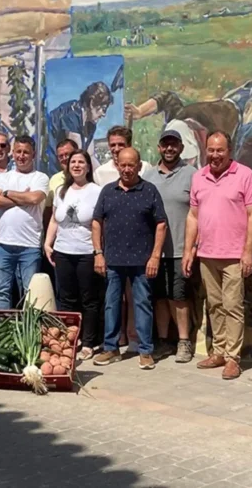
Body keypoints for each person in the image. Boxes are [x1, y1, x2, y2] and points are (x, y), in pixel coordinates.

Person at [183, 131, 252, 380]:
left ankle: (233, 358)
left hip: (234, 255)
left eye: (220, 150)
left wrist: (248, 251)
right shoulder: (199, 177)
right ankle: (218, 351)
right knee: (214, 305)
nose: (215, 155)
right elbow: (193, 216)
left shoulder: (245, 175)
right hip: (207, 254)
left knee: (233, 306)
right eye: (211, 150)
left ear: (230, 151)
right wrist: (188, 250)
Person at [92, 147, 167, 370]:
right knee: (111, 304)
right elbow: (96, 222)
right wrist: (98, 253)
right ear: (117, 165)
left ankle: (145, 351)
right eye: (122, 165)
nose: (126, 169)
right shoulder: (108, 191)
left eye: (130, 165)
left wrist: (155, 256)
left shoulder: (149, 190)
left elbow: (161, 224)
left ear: (139, 166)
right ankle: (111, 348)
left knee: (142, 304)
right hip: (112, 260)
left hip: (142, 261)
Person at [93, 125, 152, 351]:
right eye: (113, 145)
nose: (116, 149)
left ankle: (134, 337)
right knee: (115, 298)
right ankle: (117, 340)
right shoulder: (101, 173)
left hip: (137, 245)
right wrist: (99, 249)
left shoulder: (145, 168)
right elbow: (100, 213)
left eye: (121, 144)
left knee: (137, 296)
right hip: (113, 244)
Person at [143, 129, 197, 363]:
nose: (169, 148)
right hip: (154, 251)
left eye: (174, 144)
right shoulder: (148, 176)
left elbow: (198, 212)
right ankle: (164, 341)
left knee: (179, 297)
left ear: (181, 148)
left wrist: (193, 248)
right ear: (159, 147)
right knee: (159, 298)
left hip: (180, 250)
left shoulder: (192, 174)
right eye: (165, 144)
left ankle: (184, 341)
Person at [44, 150, 103, 360]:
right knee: (67, 299)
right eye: (73, 162)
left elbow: (99, 223)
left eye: (81, 162)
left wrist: (99, 252)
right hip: (63, 252)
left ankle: (88, 342)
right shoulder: (61, 190)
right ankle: (69, 340)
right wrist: (48, 243)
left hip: (86, 252)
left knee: (89, 300)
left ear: (88, 167)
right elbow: (55, 219)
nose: (77, 165)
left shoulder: (97, 191)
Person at [0, 136, 49, 309]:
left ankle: (27, 326)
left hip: (29, 245)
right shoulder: (4, 177)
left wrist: (7, 193)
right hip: (4, 244)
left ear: (33, 155)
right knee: (2, 291)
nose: (21, 156)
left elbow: (34, 198)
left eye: (26, 152)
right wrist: (23, 198)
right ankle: (5, 324)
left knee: (30, 292)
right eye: (18, 152)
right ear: (13, 153)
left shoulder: (40, 177)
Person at [48, 81, 113, 174]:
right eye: (103, 109)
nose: (104, 114)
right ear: (92, 103)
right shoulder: (71, 114)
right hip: (54, 168)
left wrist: (103, 176)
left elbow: (90, 156)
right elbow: (77, 155)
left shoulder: (90, 123)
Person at [46, 138, 78, 212]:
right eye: (61, 156)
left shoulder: (88, 178)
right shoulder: (54, 180)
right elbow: (48, 209)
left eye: (68, 154)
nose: (64, 158)